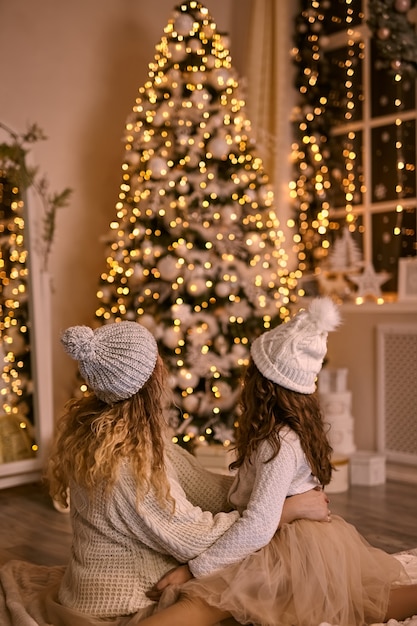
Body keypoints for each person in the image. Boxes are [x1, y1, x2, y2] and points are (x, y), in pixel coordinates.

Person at [140, 297, 417, 626]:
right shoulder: (280, 434)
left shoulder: (278, 443)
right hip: (295, 539)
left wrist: (193, 568)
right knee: (354, 601)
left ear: (263, 385)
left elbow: (258, 527)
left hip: (290, 548)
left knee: (203, 601)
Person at [38, 320, 330, 626]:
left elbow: (206, 488)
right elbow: (196, 538)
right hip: (123, 601)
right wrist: (283, 512)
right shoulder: (126, 464)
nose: (164, 370)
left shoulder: (127, 437)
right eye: (157, 363)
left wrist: (266, 496)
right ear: (149, 383)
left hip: (101, 585)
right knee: (259, 584)